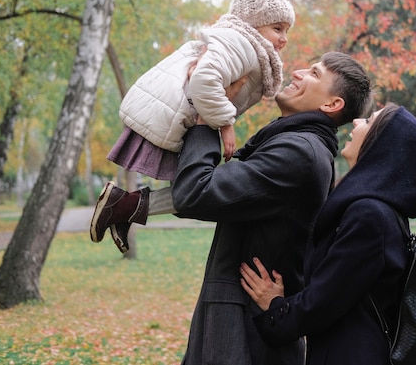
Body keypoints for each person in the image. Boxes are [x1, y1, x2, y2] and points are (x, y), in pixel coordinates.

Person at [90, 51, 373, 364]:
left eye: (315, 74)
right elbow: (219, 192)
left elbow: (196, 191)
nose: (298, 73)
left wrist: (204, 119)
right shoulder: (297, 144)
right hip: (241, 321)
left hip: (242, 332)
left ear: (332, 105)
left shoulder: (301, 152)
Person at [90, 0, 295, 252]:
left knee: (195, 191)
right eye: (277, 28)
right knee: (197, 190)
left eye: (286, 30)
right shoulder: (242, 44)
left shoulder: (246, 46)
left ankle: (123, 208)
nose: (284, 38)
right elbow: (204, 79)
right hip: (183, 114)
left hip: (187, 115)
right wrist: (226, 124)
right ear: (253, 23)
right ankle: (122, 206)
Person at [239, 104, 416, 365]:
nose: (358, 121)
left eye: (369, 121)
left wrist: (275, 306)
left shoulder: (369, 215)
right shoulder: (380, 211)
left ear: (384, 146)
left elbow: (323, 303)